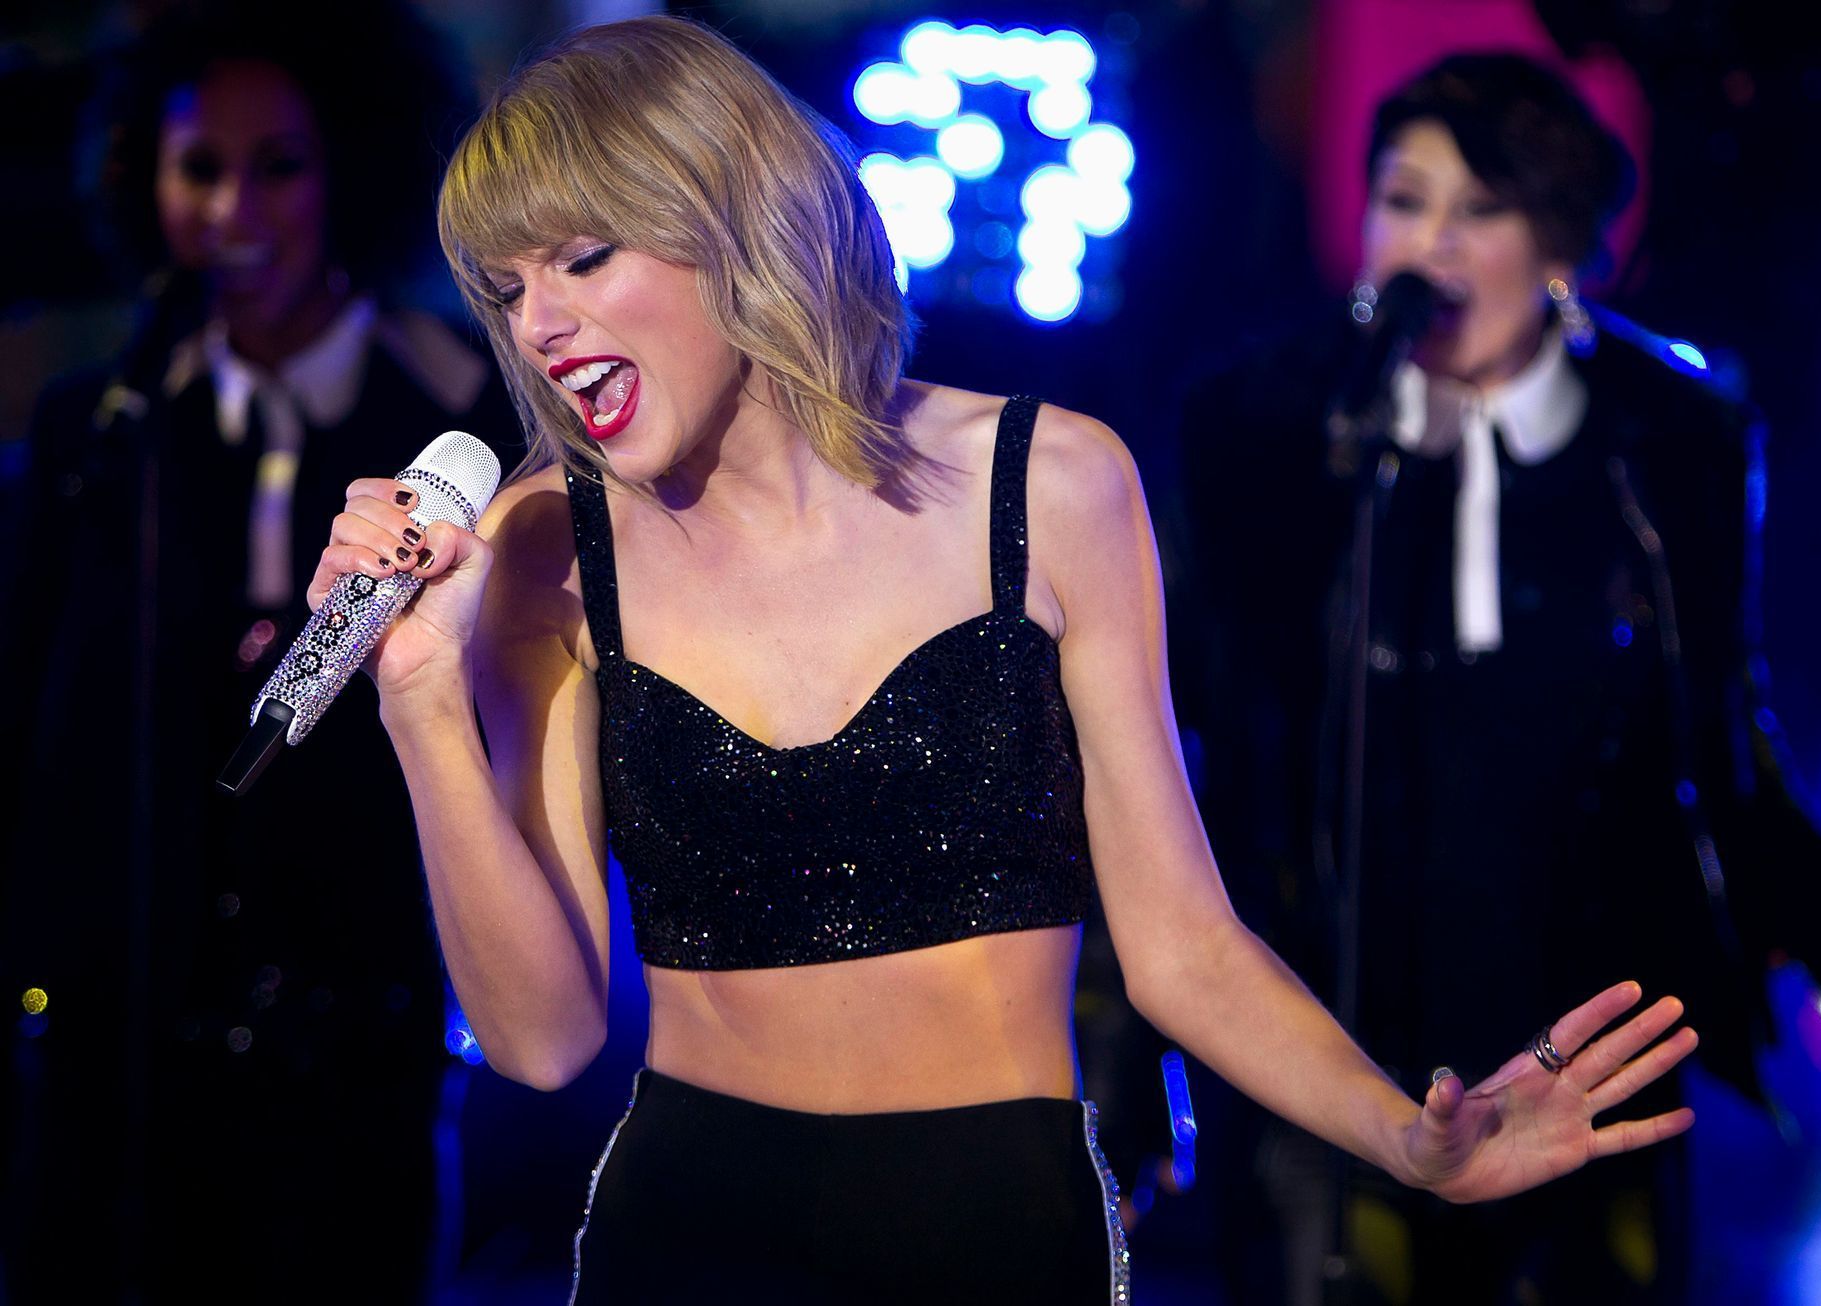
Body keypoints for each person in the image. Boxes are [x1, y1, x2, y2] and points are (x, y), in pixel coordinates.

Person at [315, 19, 1697, 1303]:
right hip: (685, 1229)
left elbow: (1184, 949)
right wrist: (423, 701)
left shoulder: (1053, 483)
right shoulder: (545, 549)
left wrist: (1408, 1137)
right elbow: (541, 1037)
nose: (541, 325)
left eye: (582, 258)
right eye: (509, 287)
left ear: (730, 222)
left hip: (992, 1223)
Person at [1172, 53, 1821, 1303]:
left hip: (1580, 1007)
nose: (1430, 245)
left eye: (1479, 210)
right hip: (1328, 1006)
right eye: (1403, 203)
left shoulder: (1676, 434)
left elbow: (1716, 716)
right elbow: (1190, 732)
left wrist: (1797, 898)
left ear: (1561, 244)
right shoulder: (1264, 425)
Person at [0, 4, 518, 1300]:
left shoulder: (457, 420)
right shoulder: (101, 427)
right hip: (116, 1032)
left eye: (278, 165)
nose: (235, 207)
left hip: (366, 1028)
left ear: (351, 165)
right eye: (199, 168)